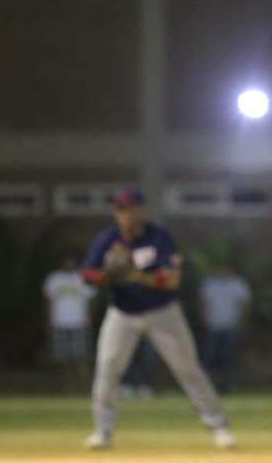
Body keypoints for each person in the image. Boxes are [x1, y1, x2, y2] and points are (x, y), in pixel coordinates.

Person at [81, 188, 234, 449]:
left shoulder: (158, 237)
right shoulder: (108, 239)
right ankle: (102, 431)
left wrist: (136, 275)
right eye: (119, 208)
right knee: (107, 367)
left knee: (188, 369)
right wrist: (108, 274)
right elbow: (88, 276)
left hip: (162, 313)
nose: (123, 213)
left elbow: (172, 280)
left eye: (128, 207)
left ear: (141, 209)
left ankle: (218, 426)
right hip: (122, 312)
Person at [43, 254, 95, 389]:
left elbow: (90, 302)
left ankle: (85, 386)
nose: (69, 263)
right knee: (62, 358)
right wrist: (49, 321)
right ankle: (67, 386)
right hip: (59, 323)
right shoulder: (54, 279)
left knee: (81, 357)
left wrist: (89, 320)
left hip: (79, 323)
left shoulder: (83, 278)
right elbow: (48, 301)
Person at [199, 265, 252, 393]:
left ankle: (228, 386)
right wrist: (205, 320)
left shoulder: (238, 284)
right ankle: (209, 385)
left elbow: (245, 303)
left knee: (229, 357)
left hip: (231, 327)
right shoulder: (209, 284)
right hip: (213, 327)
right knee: (210, 357)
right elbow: (203, 303)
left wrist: (239, 322)